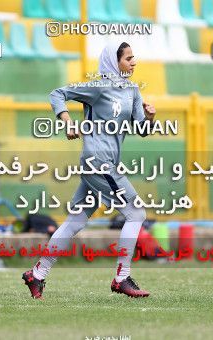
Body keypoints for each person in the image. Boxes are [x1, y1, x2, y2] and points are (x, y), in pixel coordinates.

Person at [22, 41, 156, 299]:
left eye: (133, 57)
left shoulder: (132, 90)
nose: (133, 62)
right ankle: (122, 277)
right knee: (136, 213)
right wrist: (68, 122)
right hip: (98, 161)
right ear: (113, 62)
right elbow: (57, 94)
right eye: (128, 58)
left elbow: (142, 129)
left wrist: (149, 117)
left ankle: (37, 274)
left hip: (105, 165)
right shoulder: (98, 86)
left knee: (75, 221)